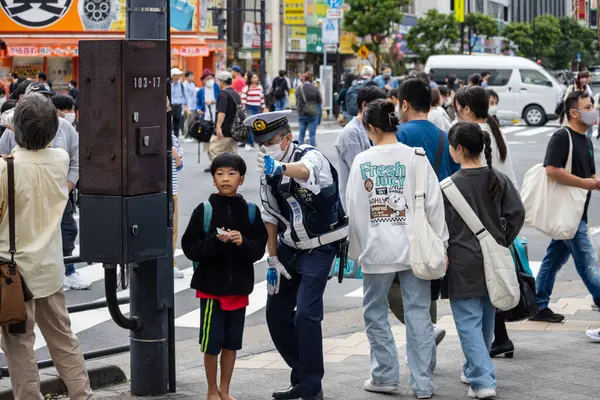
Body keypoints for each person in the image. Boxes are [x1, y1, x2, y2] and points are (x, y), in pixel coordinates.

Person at [346, 98, 446, 398]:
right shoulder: (416, 156)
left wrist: (357, 251)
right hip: (415, 249)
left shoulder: (363, 161)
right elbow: (434, 204)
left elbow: (355, 209)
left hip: (376, 252)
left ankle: (385, 375)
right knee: (419, 315)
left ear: (372, 128)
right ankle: (423, 383)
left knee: (375, 313)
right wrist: (441, 242)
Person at [246, 110, 348, 400]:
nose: (263, 148)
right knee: (276, 315)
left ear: (287, 138)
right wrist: (273, 259)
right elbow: (269, 215)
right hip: (290, 247)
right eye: (259, 143)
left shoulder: (310, 155)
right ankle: (303, 377)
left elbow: (307, 172)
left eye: (269, 141)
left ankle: (310, 385)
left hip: (321, 245)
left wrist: (281, 168)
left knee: (306, 313)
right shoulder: (267, 170)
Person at [0, 93, 93, 399]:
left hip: (13, 275)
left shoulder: (5, 169)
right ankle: (82, 394)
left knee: (20, 347)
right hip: (50, 268)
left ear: (16, 129)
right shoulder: (60, 160)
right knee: (63, 340)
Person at [443, 121, 525, 400]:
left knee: (467, 323)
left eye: (452, 147)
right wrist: (502, 240)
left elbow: (441, 229)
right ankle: (473, 368)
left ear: (460, 149)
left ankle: (482, 380)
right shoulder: (498, 179)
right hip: (494, 261)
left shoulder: (449, 187)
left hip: (461, 263)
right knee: (486, 320)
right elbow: (517, 214)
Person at [181, 152, 268, 400]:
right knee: (212, 343)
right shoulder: (204, 210)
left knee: (232, 343)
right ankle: (211, 390)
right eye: (219, 174)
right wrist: (214, 242)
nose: (225, 179)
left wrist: (242, 242)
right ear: (213, 180)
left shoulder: (251, 212)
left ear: (241, 179)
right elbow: (190, 248)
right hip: (211, 290)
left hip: (239, 289)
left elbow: (257, 249)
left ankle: (225, 390)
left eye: (231, 174)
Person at [1, 83, 91, 290]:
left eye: (46, 98)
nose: (43, 102)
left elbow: (75, 161)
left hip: (58, 194)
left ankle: (68, 270)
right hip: (25, 194)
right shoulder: (56, 156)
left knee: (65, 232)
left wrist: (66, 188)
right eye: (37, 98)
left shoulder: (64, 128)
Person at [393, 77, 459, 346]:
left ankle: (425, 329)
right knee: (427, 282)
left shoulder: (399, 135)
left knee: (391, 285)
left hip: (405, 218)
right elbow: (455, 181)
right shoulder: (444, 136)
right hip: (436, 219)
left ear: (405, 104)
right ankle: (425, 353)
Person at [531, 90, 600, 323]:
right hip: (569, 213)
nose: (593, 111)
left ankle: (538, 305)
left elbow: (588, 172)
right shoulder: (562, 137)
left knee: (553, 259)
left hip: (574, 212)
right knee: (588, 264)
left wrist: (594, 180)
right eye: (588, 107)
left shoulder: (586, 139)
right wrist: (585, 183)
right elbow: (551, 169)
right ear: (574, 112)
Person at [334, 85, 387, 210]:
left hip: (372, 199)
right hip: (357, 201)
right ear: (365, 105)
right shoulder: (351, 133)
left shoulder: (371, 128)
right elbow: (361, 170)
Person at [454, 86, 517, 185]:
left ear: (467, 109)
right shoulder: (497, 131)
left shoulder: (469, 135)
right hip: (503, 194)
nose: (456, 113)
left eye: (457, 109)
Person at [210, 71, 240, 160]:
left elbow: (222, 112)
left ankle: (222, 170)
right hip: (235, 130)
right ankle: (233, 171)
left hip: (224, 130)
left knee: (215, 150)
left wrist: (218, 127)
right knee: (232, 154)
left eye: (218, 81)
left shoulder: (223, 94)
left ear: (222, 81)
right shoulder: (236, 94)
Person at [196, 68, 220, 171]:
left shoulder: (217, 88)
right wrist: (198, 110)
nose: (210, 80)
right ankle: (211, 163)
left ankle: (218, 162)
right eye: (207, 78)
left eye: (211, 78)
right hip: (206, 118)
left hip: (217, 116)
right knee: (207, 141)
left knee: (217, 141)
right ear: (203, 80)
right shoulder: (200, 91)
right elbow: (198, 104)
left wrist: (214, 101)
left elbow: (221, 98)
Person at [241, 71, 268, 151]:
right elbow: (243, 101)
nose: (256, 79)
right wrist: (244, 110)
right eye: (253, 77)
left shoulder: (260, 87)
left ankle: (258, 142)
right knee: (250, 126)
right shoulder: (246, 88)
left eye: (256, 77)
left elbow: (262, 99)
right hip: (249, 108)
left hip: (258, 108)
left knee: (258, 126)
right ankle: (248, 143)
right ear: (250, 79)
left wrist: (264, 108)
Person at [563, 71, 594, 138]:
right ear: (579, 79)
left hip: (586, 113)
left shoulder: (587, 88)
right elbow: (566, 101)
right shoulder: (572, 87)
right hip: (576, 113)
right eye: (583, 78)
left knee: (589, 130)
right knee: (574, 131)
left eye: (586, 77)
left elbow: (590, 99)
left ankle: (587, 143)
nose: (585, 80)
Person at [295, 72, 322, 147]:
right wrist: (319, 118)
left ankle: (300, 150)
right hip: (313, 114)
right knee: (312, 135)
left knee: (301, 135)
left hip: (302, 114)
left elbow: (297, 102)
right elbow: (319, 103)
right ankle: (313, 151)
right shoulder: (315, 88)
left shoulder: (298, 88)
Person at [172, 134, 184, 279]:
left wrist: (175, 155)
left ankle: (170, 263)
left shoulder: (172, 138)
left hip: (171, 191)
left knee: (173, 230)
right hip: (147, 190)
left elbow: (179, 165)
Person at [170, 67, 189, 137]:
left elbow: (183, 96)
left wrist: (185, 106)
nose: (179, 77)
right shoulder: (168, 84)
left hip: (178, 106)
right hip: (170, 106)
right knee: (168, 124)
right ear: (172, 76)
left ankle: (176, 140)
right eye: (177, 75)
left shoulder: (181, 84)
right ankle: (168, 140)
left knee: (177, 124)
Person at [183, 71, 198, 142]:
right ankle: (186, 136)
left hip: (194, 105)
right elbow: (184, 96)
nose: (192, 77)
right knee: (188, 121)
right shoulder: (184, 85)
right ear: (186, 77)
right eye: (191, 76)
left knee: (192, 121)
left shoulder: (192, 84)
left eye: (193, 76)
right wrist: (185, 107)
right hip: (188, 105)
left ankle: (191, 135)